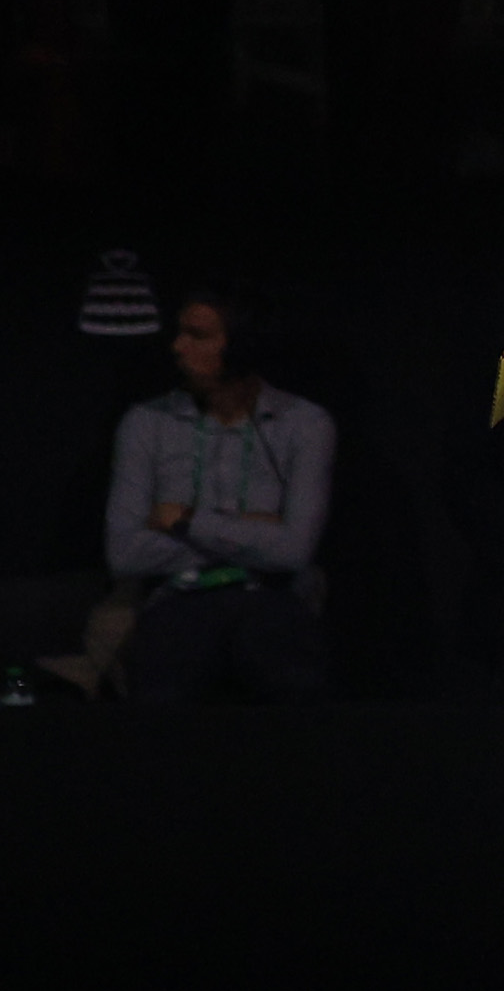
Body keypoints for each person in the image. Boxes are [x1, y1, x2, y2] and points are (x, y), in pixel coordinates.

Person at [99, 289, 337, 704]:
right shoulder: (147, 424)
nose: (178, 347)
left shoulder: (304, 424)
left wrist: (186, 521)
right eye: (179, 333)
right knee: (168, 669)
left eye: (198, 335)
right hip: (177, 598)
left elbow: (294, 552)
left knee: (283, 660)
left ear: (241, 346)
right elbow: (125, 552)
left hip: (270, 599)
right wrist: (255, 532)